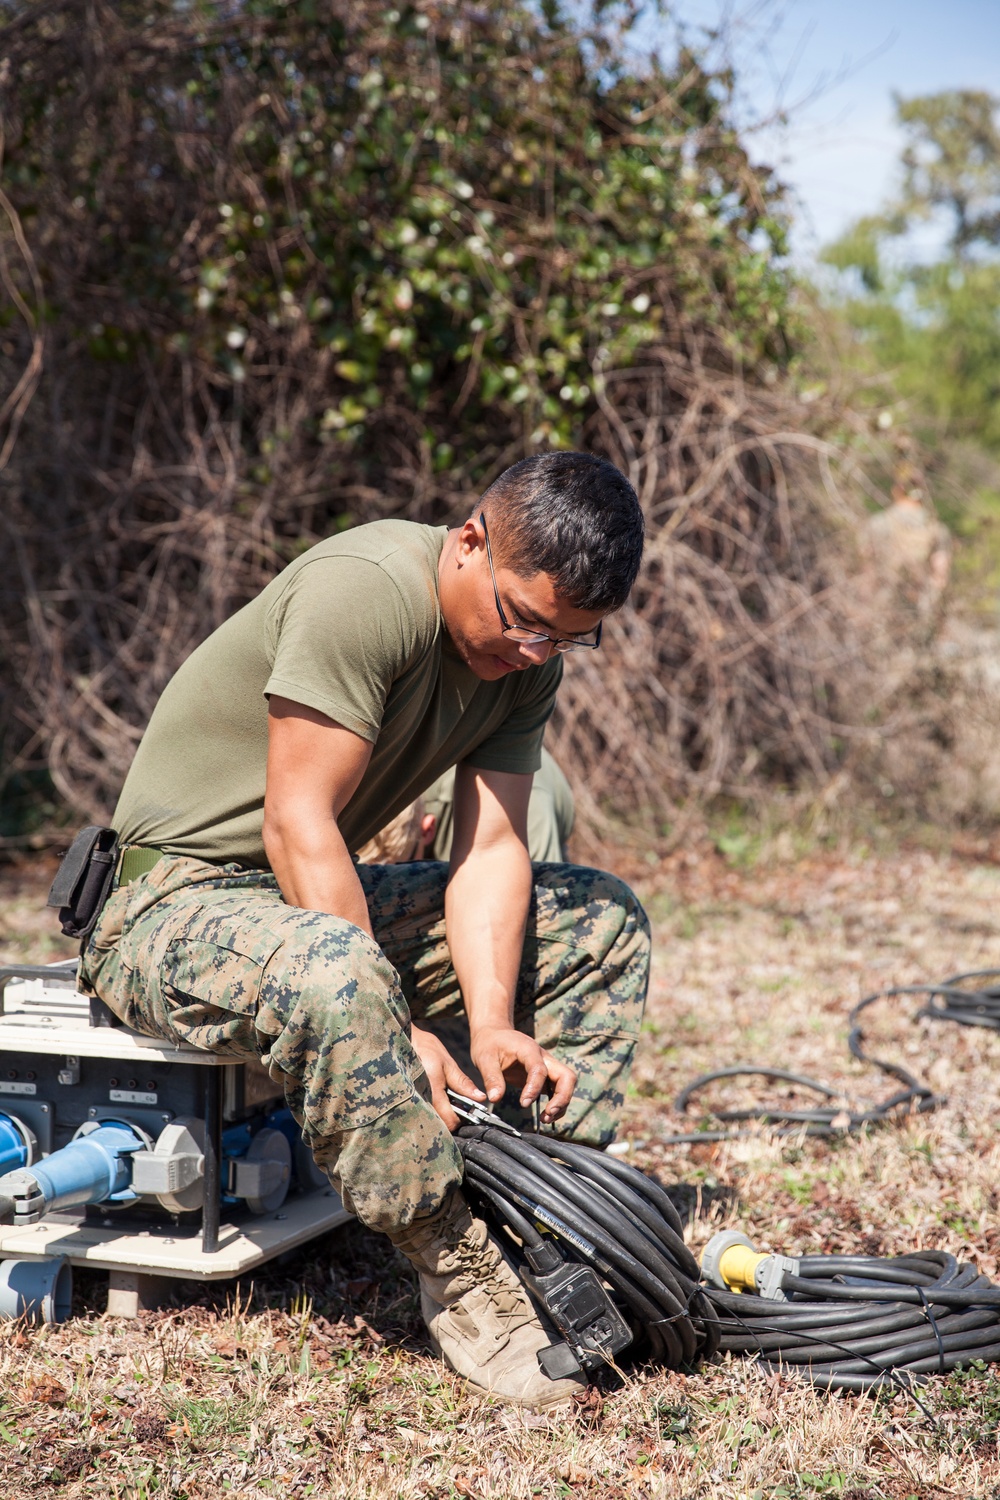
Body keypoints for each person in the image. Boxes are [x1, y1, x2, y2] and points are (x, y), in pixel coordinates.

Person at [78, 451, 650, 1407]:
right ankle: (461, 1271)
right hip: (166, 902)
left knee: (598, 920)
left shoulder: (520, 659)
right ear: (471, 541)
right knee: (342, 967)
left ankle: (539, 1212)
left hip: (287, 905)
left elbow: (495, 848)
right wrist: (403, 1024)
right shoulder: (365, 591)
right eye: (525, 622)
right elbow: (296, 820)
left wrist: (495, 1020)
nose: (537, 655)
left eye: (569, 640)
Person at [356, 747, 575, 865]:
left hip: (526, 824)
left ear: (427, 829)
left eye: (401, 868)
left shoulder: (521, 808)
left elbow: (543, 909)